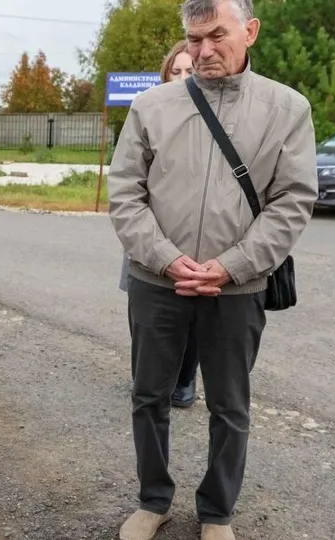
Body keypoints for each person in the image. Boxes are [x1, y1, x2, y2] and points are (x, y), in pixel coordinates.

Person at [108, 1, 318, 539]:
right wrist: (162, 256)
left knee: (230, 405)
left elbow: (292, 200)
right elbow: (126, 193)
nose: (203, 51)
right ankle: (152, 501)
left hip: (237, 288)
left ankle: (217, 512)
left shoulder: (287, 108)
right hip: (159, 283)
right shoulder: (151, 107)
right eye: (193, 39)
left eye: (216, 36)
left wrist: (230, 267)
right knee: (149, 396)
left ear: (250, 32)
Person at [119, 39, 199, 409]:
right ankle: (147, 376)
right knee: (148, 316)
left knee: (195, 315)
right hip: (151, 236)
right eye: (176, 71)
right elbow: (129, 184)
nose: (183, 78)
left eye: (190, 71)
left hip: (199, 240)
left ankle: (184, 379)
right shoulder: (148, 115)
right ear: (165, 75)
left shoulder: (215, 121)